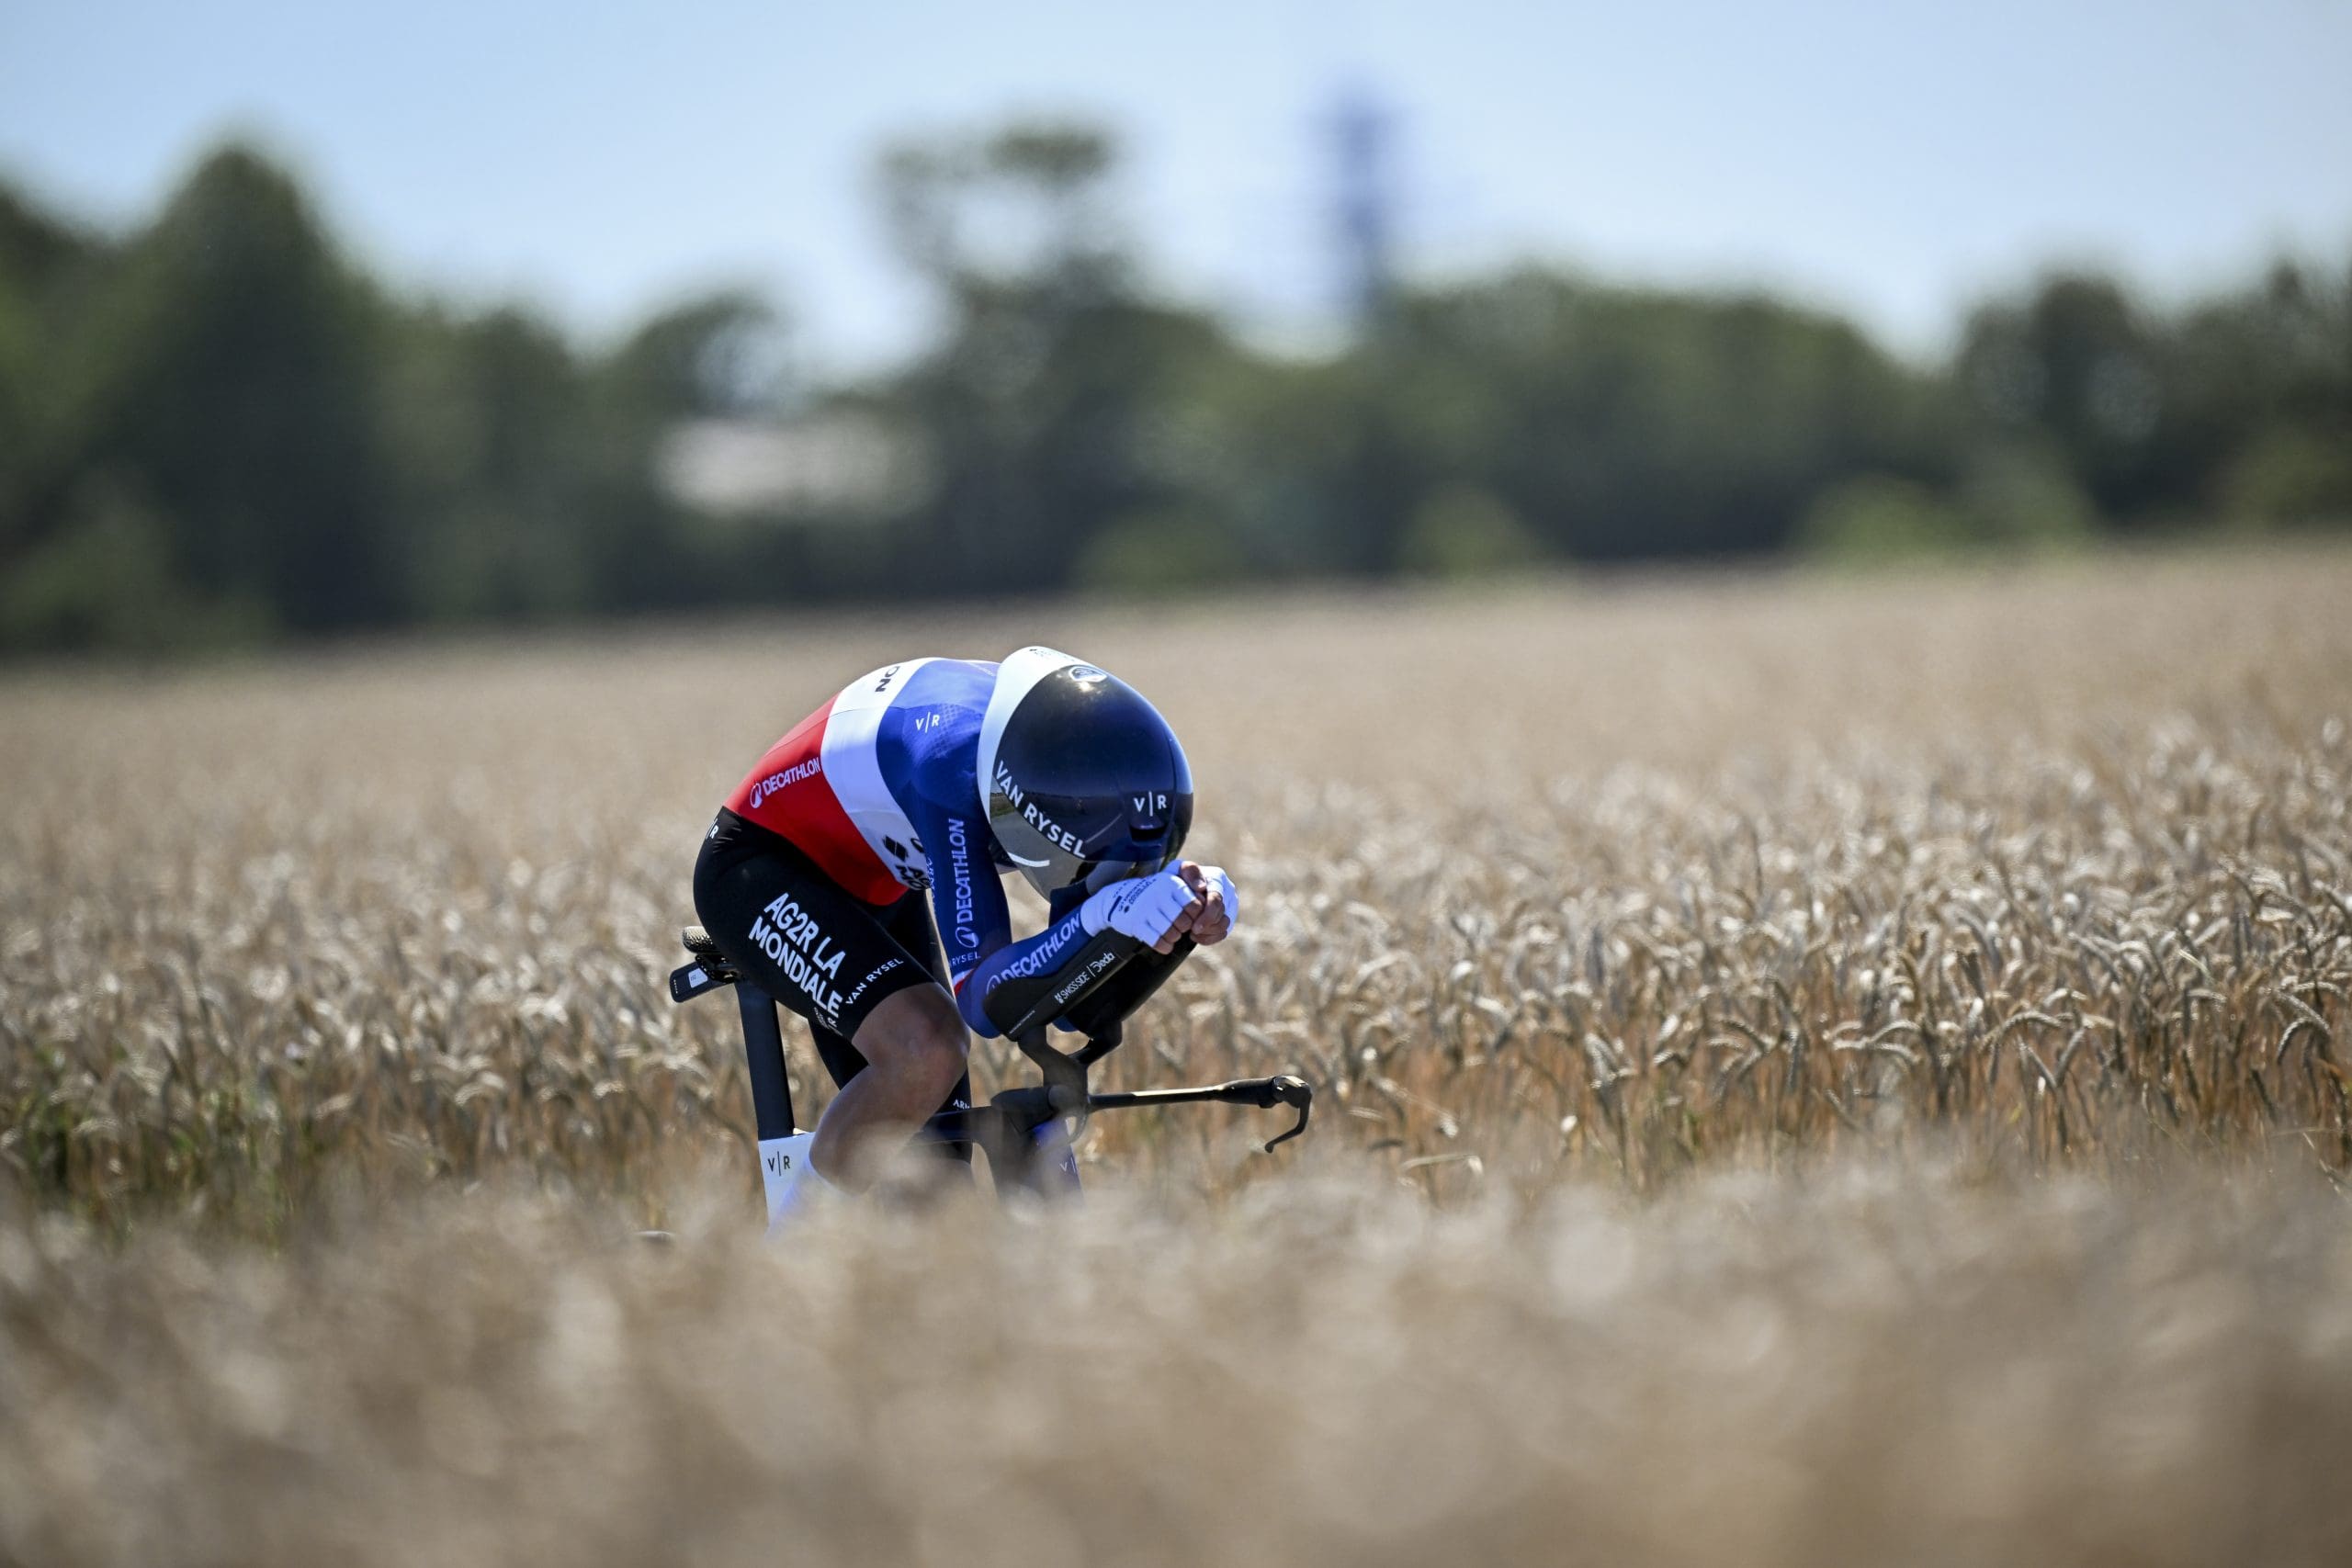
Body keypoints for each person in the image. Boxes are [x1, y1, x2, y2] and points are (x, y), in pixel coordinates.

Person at [692, 646, 1238, 1195]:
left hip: (879, 879)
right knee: (925, 1048)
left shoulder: (1069, 776)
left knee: (936, 1187)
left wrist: (1182, 917)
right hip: (759, 866)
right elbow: (983, 1000)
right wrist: (1108, 913)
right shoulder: (949, 765)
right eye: (1090, 863)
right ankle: (794, 1234)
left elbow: (1075, 1008)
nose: (1093, 875)